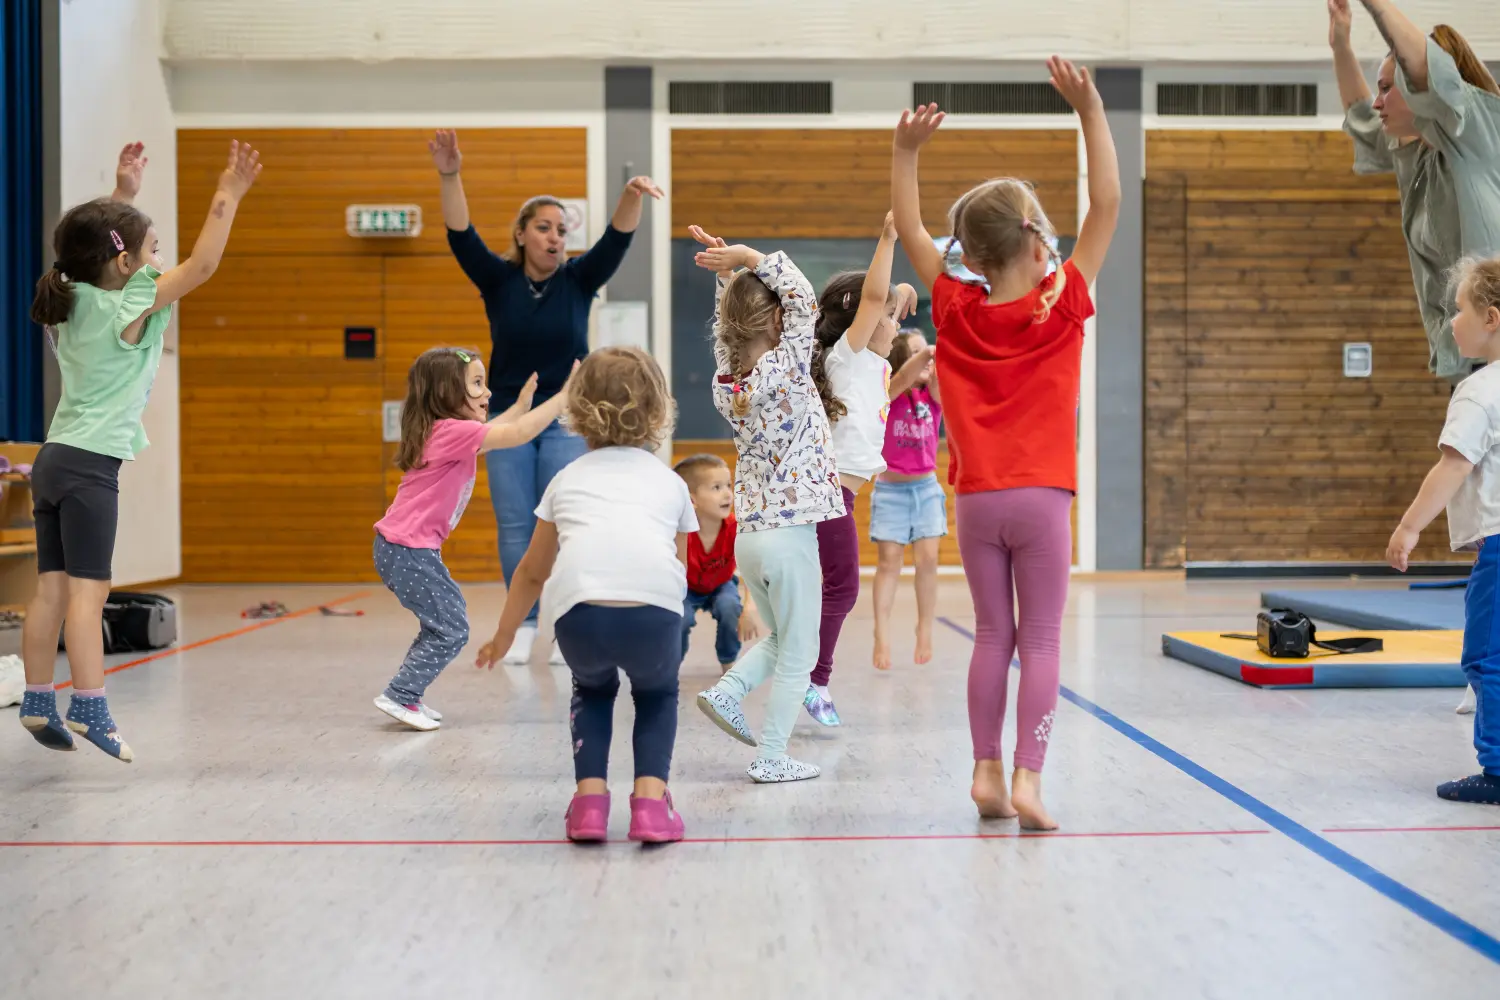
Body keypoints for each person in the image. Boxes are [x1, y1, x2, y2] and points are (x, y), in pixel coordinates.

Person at [891, 55, 1121, 830]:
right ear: (1036, 241)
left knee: (993, 634)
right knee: (1043, 639)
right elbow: (1109, 204)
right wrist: (1090, 109)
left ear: (975, 254)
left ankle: (984, 772)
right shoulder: (1064, 305)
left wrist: (906, 154)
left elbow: (917, 233)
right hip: (1043, 498)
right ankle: (1027, 781)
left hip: (979, 499)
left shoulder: (954, 308)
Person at [18, 141, 262, 762]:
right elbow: (203, 267)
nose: (162, 262)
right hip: (91, 466)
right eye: (153, 250)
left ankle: (38, 698)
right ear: (125, 264)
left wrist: (121, 197)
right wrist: (228, 193)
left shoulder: (69, 298)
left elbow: (93, 248)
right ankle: (91, 706)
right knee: (87, 593)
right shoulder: (129, 302)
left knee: (50, 589)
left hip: (52, 461)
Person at [428, 129, 663, 666]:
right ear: (522, 234)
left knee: (563, 521)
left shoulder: (579, 281)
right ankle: (527, 619)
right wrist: (449, 174)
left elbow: (616, 241)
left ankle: (561, 620)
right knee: (515, 524)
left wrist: (630, 196)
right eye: (544, 228)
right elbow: (460, 234)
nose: (556, 237)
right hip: (508, 417)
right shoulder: (498, 281)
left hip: (564, 419)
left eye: (561, 229)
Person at [1329, 0, 1500, 715]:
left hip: (1495, 338)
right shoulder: (1418, 158)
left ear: (1426, 90)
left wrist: (1371, 6)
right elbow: (1361, 121)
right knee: (1483, 512)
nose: (1377, 101)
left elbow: (1423, 63)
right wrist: (1341, 43)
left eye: (1387, 86)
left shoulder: (1472, 133)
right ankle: (1489, 666)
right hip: (1471, 352)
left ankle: (1489, 670)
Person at [477, 348, 695, 843]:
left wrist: (504, 635)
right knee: (657, 694)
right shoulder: (670, 482)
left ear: (576, 411)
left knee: (593, 690)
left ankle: (590, 807)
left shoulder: (565, 479)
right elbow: (676, 568)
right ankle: (650, 806)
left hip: (580, 614)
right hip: (654, 614)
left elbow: (532, 572)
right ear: (659, 410)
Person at [687, 225, 844, 783]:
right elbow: (803, 298)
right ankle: (772, 756)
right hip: (790, 536)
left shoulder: (725, 382)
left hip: (751, 538)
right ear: (777, 323)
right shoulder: (786, 366)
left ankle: (728, 690)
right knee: (801, 651)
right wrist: (752, 258)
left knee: (781, 639)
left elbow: (739, 324)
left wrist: (730, 275)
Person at [372, 349, 571, 732]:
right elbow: (518, 434)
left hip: (402, 549)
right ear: (448, 393)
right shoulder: (451, 431)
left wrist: (521, 404)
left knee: (442, 625)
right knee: (453, 627)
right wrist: (562, 398)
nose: (487, 392)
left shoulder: (445, 432)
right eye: (477, 384)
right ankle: (400, 694)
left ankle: (407, 693)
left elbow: (499, 436)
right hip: (407, 549)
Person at [1385, 255, 1500, 806]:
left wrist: (1409, 528)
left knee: (1487, 657)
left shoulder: (1479, 393)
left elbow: (1452, 466)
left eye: (1458, 311)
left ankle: (1497, 769)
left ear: (1491, 318)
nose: (1451, 322)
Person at [801, 214, 922, 728]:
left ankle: (804, 676)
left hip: (840, 497)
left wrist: (901, 292)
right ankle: (816, 682)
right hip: (829, 497)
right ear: (863, 321)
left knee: (823, 591)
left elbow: (881, 400)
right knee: (843, 589)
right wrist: (890, 239)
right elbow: (871, 301)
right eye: (889, 316)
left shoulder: (873, 367)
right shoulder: (844, 358)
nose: (894, 324)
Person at [871, 329, 944, 672]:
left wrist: (938, 357)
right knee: (889, 563)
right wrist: (926, 350)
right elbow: (900, 379)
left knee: (928, 560)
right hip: (890, 491)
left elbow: (941, 383)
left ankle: (925, 627)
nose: (927, 359)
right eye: (917, 353)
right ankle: (881, 633)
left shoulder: (933, 396)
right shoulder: (890, 394)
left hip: (926, 488)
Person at [673, 454, 763, 672]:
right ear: (691, 499)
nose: (727, 494)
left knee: (730, 606)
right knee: (679, 617)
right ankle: (671, 663)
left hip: (721, 584)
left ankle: (728, 660)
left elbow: (753, 568)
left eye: (728, 485)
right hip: (686, 587)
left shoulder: (735, 528)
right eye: (716, 487)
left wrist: (749, 608)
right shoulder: (679, 531)